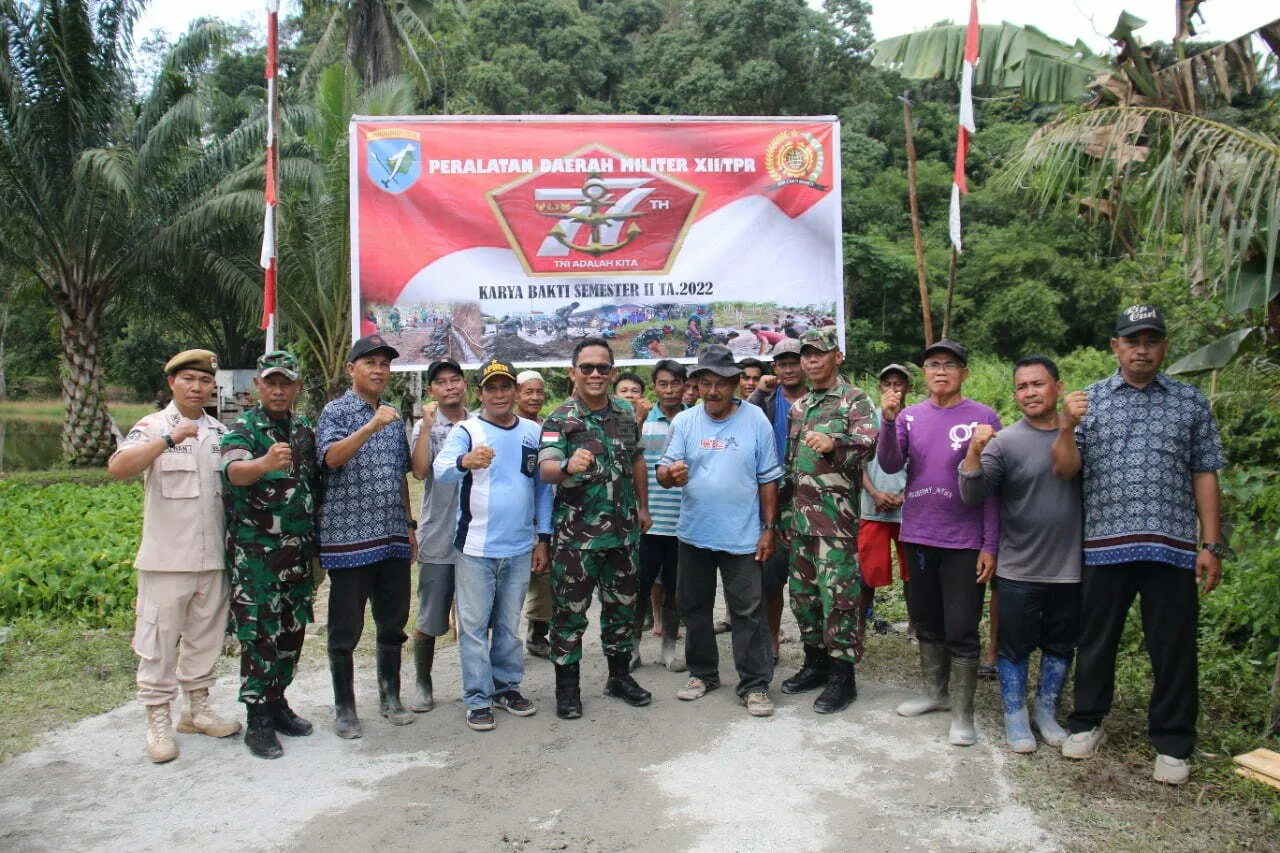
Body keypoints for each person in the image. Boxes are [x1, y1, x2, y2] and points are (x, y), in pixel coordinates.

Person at [1051, 305, 1225, 785]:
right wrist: (1066, 426)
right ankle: (1087, 721)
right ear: (1116, 347)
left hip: (1171, 547)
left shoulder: (1190, 403)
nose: (1141, 348)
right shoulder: (1091, 401)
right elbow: (1065, 469)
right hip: (1105, 546)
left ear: (1164, 346)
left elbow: (1205, 473)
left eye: (1151, 339)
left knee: (1173, 647)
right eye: (1132, 340)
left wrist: (1211, 542)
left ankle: (1172, 742)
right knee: (1096, 640)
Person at [109, 349, 241, 764]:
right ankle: (157, 720)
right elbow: (119, 468)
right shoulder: (152, 426)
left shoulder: (221, 432)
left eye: (204, 381)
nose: (198, 388)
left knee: (205, 639)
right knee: (159, 644)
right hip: (167, 560)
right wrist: (168, 440)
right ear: (172, 384)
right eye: (189, 380)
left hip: (212, 559)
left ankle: (197, 708)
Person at [878, 339, 1001, 746]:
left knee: (962, 626)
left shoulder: (983, 418)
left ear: (964, 371)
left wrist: (990, 544)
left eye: (950, 364)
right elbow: (891, 464)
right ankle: (935, 693)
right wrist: (888, 421)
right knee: (926, 619)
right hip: (919, 534)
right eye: (933, 364)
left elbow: (990, 487)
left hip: (964, 541)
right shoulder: (909, 417)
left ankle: (964, 714)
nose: (941, 370)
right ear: (925, 372)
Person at [958, 355, 1081, 754]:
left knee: (1061, 645)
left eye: (1038, 384)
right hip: (1017, 567)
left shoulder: (1081, 435)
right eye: (1023, 387)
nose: (1030, 392)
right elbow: (972, 495)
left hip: (1070, 568)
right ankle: (1015, 714)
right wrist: (973, 453)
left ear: (1058, 388)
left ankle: (1046, 712)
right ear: (1015, 394)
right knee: (1014, 646)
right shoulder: (1005, 441)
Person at [657, 345, 782, 716]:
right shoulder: (685, 422)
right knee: (694, 607)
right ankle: (703, 673)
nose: (713, 392)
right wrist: (669, 475)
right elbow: (664, 471)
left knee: (748, 612)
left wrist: (769, 528)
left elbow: (769, 478)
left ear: (734, 384)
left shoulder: (755, 419)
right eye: (706, 383)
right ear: (696, 385)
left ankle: (755, 685)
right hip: (695, 532)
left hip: (743, 535)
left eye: (722, 384)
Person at [435, 359, 554, 731]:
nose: (499, 395)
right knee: (473, 627)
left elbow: (542, 489)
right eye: (492, 388)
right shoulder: (466, 430)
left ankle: (506, 688)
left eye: (506, 387)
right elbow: (439, 470)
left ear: (516, 392)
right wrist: (464, 461)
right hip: (475, 547)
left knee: (507, 625)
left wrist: (543, 539)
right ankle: (477, 697)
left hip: (519, 547)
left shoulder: (532, 433)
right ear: (480, 393)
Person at [538, 338, 652, 719]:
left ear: (612, 373)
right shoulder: (559, 418)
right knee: (570, 614)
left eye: (603, 368)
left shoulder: (624, 413)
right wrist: (569, 465)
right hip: (577, 539)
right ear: (573, 373)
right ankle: (567, 690)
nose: (595, 374)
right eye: (586, 367)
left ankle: (619, 677)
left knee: (622, 609)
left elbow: (636, 460)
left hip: (622, 534)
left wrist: (643, 507)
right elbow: (546, 469)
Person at [316, 334, 418, 738]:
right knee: (345, 628)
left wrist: (409, 527)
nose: (379, 370)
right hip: (347, 539)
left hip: (392, 536)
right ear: (351, 370)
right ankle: (344, 709)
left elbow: (401, 476)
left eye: (384, 364)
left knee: (391, 622)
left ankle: (390, 696)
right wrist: (371, 425)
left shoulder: (393, 416)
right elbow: (330, 458)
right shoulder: (335, 412)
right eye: (370, 363)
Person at [220, 351, 319, 759]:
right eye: (271, 382)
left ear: (296, 387)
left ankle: (278, 702)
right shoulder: (243, 429)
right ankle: (257, 716)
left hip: (297, 555)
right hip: (257, 559)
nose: (278, 389)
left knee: (292, 632)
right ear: (258, 385)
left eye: (286, 383)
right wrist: (262, 463)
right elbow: (233, 472)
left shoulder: (303, 429)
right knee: (259, 634)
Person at [778, 327, 877, 714]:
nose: (811, 361)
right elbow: (791, 465)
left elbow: (870, 445)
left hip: (836, 523)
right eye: (806, 355)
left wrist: (837, 443)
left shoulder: (855, 400)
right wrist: (786, 513)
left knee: (839, 597)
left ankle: (842, 677)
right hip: (801, 523)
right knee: (803, 598)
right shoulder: (799, 407)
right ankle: (815, 664)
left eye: (819, 353)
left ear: (837, 356)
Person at [407, 358, 469, 712]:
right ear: (431, 390)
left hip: (476, 535)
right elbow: (418, 472)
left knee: (474, 617)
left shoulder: (479, 423)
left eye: (455, 380)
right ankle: (423, 683)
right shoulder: (425, 426)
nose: (449, 387)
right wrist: (427, 428)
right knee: (431, 615)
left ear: (464, 385)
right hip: (439, 534)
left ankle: (475, 681)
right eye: (441, 382)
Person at [746, 338, 805, 659]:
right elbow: (744, 418)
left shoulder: (819, 400)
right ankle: (772, 638)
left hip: (811, 502)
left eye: (793, 362)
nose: (788, 368)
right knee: (770, 579)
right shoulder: (767, 401)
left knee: (810, 580)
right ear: (775, 368)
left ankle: (817, 647)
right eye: (781, 363)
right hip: (771, 500)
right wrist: (759, 391)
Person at [636, 359, 688, 672]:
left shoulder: (695, 419)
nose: (669, 390)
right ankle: (633, 647)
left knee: (675, 589)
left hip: (685, 524)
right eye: (663, 384)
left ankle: (669, 646)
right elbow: (632, 463)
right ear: (655, 386)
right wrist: (639, 509)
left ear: (685, 385)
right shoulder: (643, 419)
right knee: (639, 588)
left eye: (675, 383)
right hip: (649, 521)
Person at [857, 365, 913, 643]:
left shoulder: (916, 420)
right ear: (880, 388)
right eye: (888, 383)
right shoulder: (869, 421)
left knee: (912, 573)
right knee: (868, 572)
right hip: (872, 507)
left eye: (899, 383)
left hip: (909, 510)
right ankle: (860, 626)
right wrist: (876, 494)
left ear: (908, 389)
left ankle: (916, 626)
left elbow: (923, 466)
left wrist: (903, 496)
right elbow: (860, 464)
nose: (893, 388)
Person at [515, 369, 553, 657]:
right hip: (513, 516)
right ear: (516, 394)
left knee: (544, 578)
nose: (535, 397)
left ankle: (538, 635)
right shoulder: (501, 426)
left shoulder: (550, 427)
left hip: (543, 513)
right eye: (528, 391)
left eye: (539, 392)